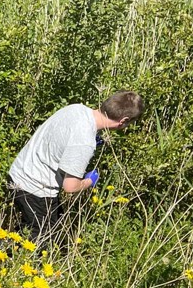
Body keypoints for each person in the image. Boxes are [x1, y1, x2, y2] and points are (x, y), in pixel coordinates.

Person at [8, 91, 144, 243]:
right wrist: (89, 181)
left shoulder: (76, 109)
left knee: (36, 229)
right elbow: (70, 187)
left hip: (18, 172)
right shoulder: (84, 142)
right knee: (42, 241)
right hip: (35, 188)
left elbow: (64, 136)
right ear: (123, 120)